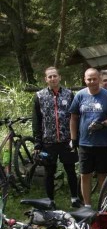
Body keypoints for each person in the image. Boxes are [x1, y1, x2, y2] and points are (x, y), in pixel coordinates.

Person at [69, 68, 107, 207]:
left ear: (99, 79)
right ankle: (87, 206)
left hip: (103, 143)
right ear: (85, 80)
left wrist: (103, 124)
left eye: (94, 79)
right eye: (89, 79)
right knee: (85, 175)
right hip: (85, 143)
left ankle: (103, 205)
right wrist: (73, 139)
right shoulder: (80, 95)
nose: (92, 82)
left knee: (103, 175)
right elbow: (73, 117)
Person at [32, 67, 80, 207]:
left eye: (55, 76)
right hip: (48, 142)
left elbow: (75, 117)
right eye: (50, 77)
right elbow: (37, 121)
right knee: (49, 171)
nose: (53, 79)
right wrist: (37, 142)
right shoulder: (39, 96)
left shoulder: (69, 94)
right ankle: (50, 200)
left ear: (59, 77)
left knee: (70, 170)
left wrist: (75, 137)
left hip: (67, 140)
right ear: (46, 79)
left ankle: (75, 198)